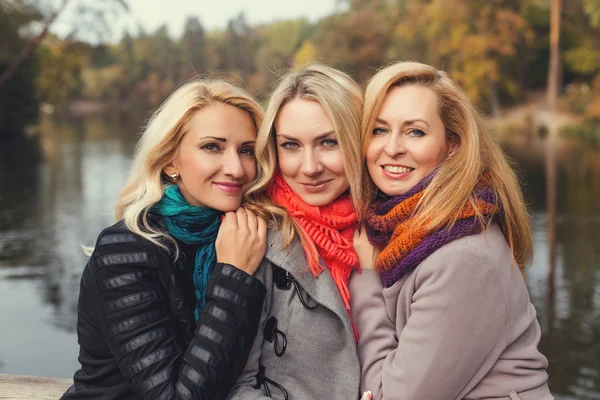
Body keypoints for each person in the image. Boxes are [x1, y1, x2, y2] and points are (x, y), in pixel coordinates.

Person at [351, 61, 553, 400]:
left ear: (453, 145)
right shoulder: (401, 231)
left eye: (415, 131)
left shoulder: (463, 257)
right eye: (379, 129)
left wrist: (366, 280)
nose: (393, 147)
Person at [62, 80, 268, 400]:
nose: (236, 168)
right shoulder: (125, 251)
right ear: (171, 160)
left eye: (247, 150)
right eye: (212, 147)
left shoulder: (246, 233)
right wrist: (235, 276)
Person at [227, 64, 364, 400]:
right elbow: (235, 385)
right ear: (274, 149)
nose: (310, 167)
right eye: (291, 145)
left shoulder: (391, 230)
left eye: (328, 142)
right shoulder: (255, 234)